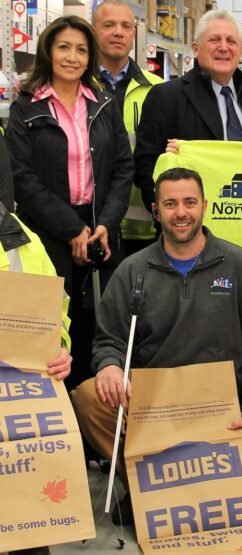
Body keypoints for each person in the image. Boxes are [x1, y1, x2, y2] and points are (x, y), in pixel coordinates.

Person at [70, 167, 242, 524]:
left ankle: (164, 493)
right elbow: (109, 339)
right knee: (88, 396)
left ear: (205, 206)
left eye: (189, 202)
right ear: (156, 211)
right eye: (170, 204)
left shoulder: (238, 264)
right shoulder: (133, 270)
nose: (181, 212)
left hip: (216, 410)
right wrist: (109, 366)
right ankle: (145, 485)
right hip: (152, 407)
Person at [5, 15, 133, 392]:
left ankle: (92, 413)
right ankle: (60, 415)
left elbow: (122, 168)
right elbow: (22, 178)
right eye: (64, 47)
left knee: (99, 330)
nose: (72, 57)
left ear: (90, 57)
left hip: (100, 232)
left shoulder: (104, 104)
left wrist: (105, 224)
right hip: (47, 234)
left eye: (81, 49)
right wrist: (72, 229)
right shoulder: (26, 107)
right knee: (53, 333)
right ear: (48, 51)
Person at [1, 132, 73, 555]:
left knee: (28, 532)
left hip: (18, 401)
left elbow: (56, 309)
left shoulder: (23, 239)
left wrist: (60, 348)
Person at [133, 9, 242, 212]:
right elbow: (146, 166)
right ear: (196, 49)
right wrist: (166, 215)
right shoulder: (166, 97)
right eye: (214, 39)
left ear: (241, 52)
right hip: (189, 224)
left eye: (231, 41)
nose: (223, 47)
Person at [93, 0, 164, 255]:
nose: (118, 32)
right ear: (94, 31)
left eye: (126, 26)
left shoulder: (158, 89)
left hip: (144, 228)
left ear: (133, 34)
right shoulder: (78, 86)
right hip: (91, 223)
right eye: (109, 25)